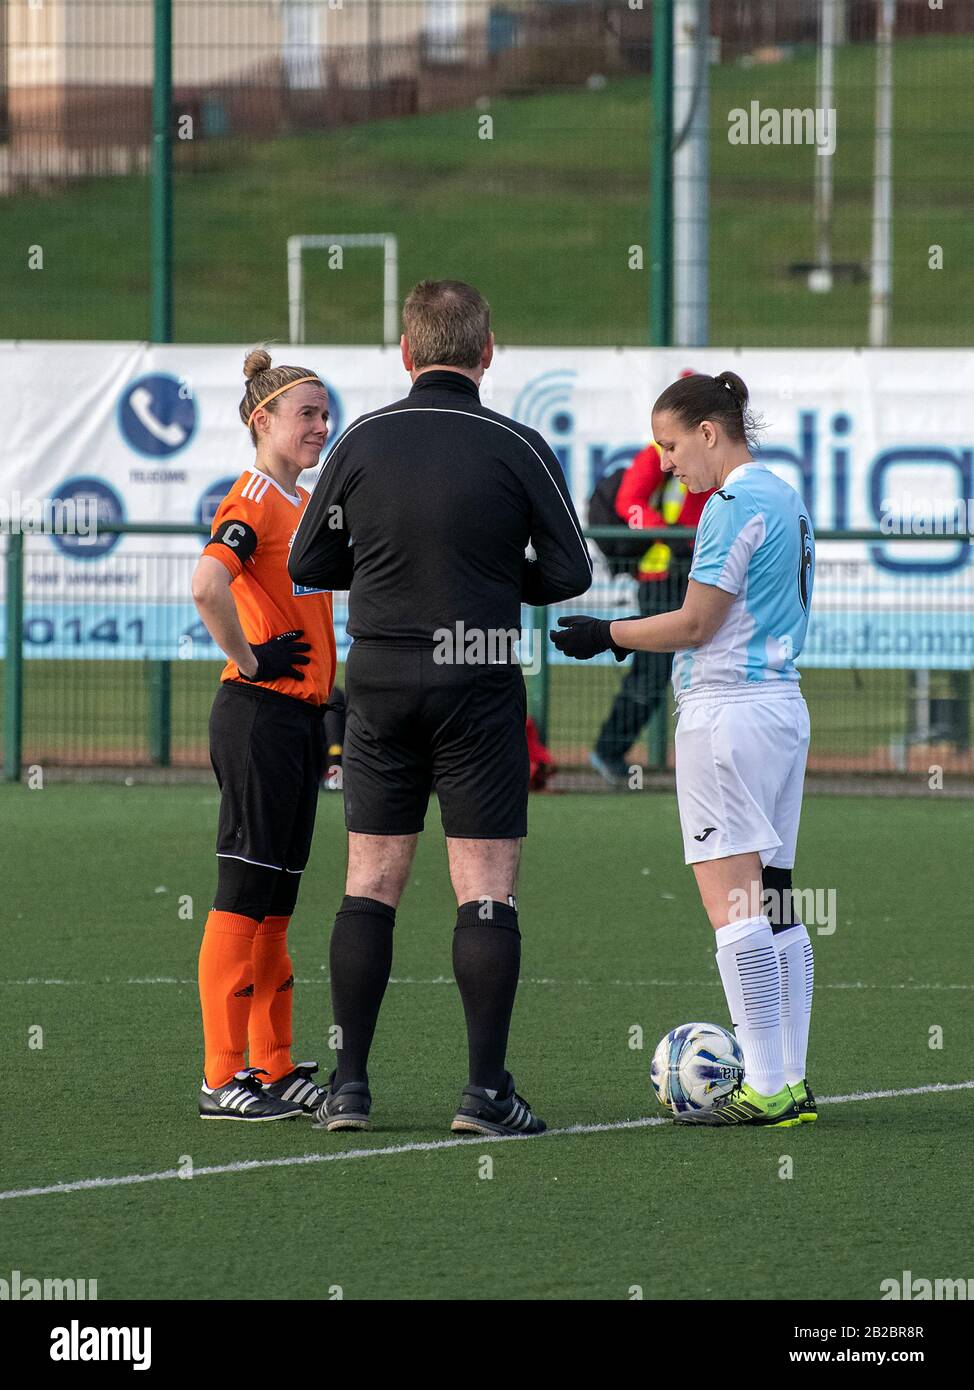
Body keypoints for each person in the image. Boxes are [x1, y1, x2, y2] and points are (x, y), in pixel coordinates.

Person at [289, 279, 592, 1136]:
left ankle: (348, 1088)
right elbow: (570, 572)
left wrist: (384, 574)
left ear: (407, 353)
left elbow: (311, 556)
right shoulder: (517, 444)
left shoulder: (362, 438)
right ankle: (485, 1093)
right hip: (479, 674)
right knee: (485, 889)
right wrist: (497, 581)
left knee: (370, 882)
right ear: (487, 352)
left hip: (380, 676)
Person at [552, 371, 816, 1128]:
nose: (666, 463)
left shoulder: (732, 504)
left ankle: (765, 1084)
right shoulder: (786, 496)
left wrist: (607, 634)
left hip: (728, 712)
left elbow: (697, 623)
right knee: (775, 899)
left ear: (710, 431)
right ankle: (789, 1083)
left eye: (670, 445)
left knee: (734, 907)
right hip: (780, 709)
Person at [190, 349, 337, 1121]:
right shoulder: (252, 496)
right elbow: (206, 584)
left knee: (276, 904)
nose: (321, 423)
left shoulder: (300, 501)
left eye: (323, 411)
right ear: (264, 421)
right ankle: (222, 1076)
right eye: (306, 413)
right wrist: (249, 660)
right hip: (259, 717)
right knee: (245, 894)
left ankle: (271, 1065)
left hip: (298, 721)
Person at [590, 372, 714, 783]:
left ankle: (615, 752)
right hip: (663, 573)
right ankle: (610, 750)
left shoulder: (713, 458)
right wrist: (671, 536)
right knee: (654, 669)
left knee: (682, 667)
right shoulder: (655, 456)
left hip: (691, 569)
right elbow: (630, 503)